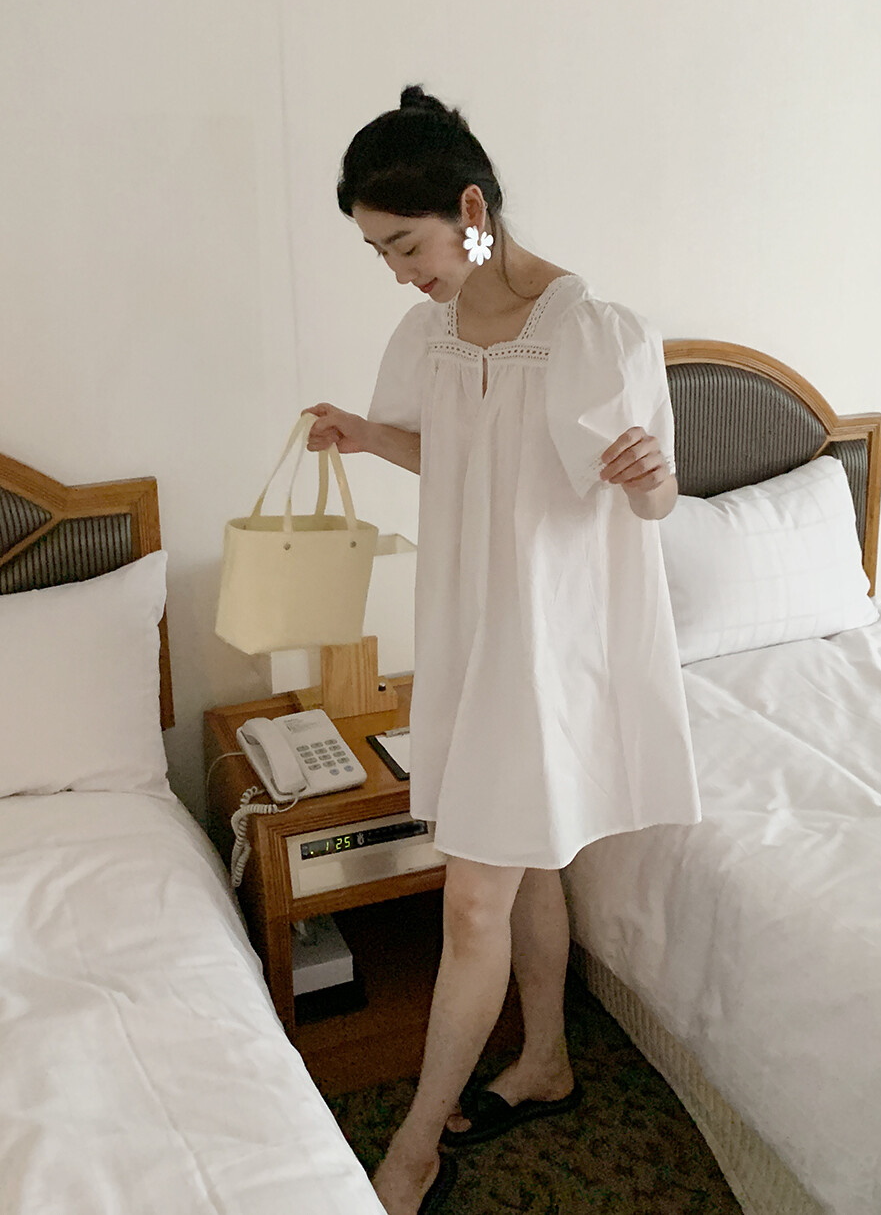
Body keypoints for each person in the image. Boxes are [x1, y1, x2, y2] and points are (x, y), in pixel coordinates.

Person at [303, 85, 702, 1215]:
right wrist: (365, 434)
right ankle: (546, 1059)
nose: (397, 272)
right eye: (379, 252)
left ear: (471, 211)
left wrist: (655, 475)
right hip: (470, 635)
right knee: (525, 860)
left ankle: (413, 1151)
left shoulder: (593, 332)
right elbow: (456, 455)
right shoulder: (429, 333)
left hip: (547, 653)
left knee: (473, 900)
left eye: (406, 244)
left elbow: (653, 505)